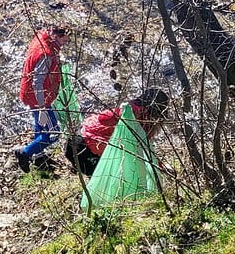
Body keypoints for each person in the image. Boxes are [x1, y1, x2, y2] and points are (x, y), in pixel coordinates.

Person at [65, 89, 170, 176]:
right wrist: (123, 113)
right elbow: (103, 118)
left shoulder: (145, 122)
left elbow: (145, 148)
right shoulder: (134, 111)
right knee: (108, 186)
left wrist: (162, 167)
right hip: (82, 147)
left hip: (84, 143)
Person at [14, 26, 71, 172]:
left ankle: (38, 155)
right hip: (39, 99)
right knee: (53, 133)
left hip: (29, 94)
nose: (67, 41)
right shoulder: (46, 54)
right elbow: (37, 82)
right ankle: (25, 153)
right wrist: (42, 108)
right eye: (65, 38)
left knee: (40, 126)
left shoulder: (41, 38)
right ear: (56, 36)